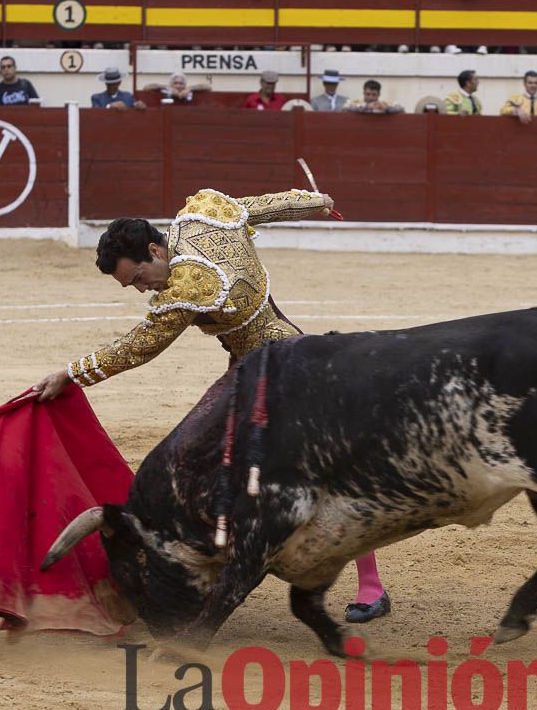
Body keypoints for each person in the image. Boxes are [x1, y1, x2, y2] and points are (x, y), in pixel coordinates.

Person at [32, 188, 394, 624]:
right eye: (133, 285)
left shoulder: (189, 285)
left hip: (283, 379)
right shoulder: (203, 216)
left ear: (154, 250)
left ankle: (370, 585)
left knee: (322, 470)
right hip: (262, 364)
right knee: (217, 462)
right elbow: (267, 206)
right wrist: (316, 202)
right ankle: (208, 566)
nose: (143, 288)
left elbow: (140, 346)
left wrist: (72, 373)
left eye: (139, 277)